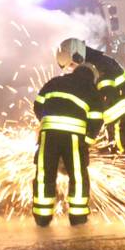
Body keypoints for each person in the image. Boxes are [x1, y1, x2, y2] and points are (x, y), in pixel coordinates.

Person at [32, 39, 105, 226]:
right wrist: (87, 140)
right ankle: (78, 216)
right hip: (74, 138)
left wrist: (45, 121)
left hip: (48, 135)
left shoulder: (55, 81)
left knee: (44, 173)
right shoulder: (91, 90)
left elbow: (38, 104)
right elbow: (97, 118)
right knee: (78, 175)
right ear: (92, 76)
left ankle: (42, 216)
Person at [77, 39, 125, 156]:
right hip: (121, 118)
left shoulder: (101, 68)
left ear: (77, 58)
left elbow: (105, 98)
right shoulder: (98, 63)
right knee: (113, 155)